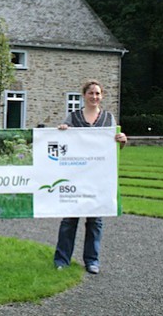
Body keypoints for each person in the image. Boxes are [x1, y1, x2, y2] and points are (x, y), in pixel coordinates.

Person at [53, 79, 127, 275]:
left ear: (101, 96)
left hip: (98, 179)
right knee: (69, 220)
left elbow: (114, 148)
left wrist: (122, 140)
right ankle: (62, 259)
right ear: (84, 95)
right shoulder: (73, 117)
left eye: (97, 93)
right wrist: (62, 132)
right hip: (75, 177)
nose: (94, 97)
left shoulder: (108, 119)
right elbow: (62, 143)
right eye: (90, 93)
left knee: (95, 221)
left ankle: (92, 260)